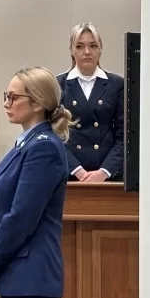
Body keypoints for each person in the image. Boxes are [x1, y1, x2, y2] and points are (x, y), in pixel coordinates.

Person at [0, 66, 73, 298]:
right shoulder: (27, 143)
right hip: (18, 276)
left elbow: (21, 218)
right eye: (6, 95)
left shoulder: (43, 147)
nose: (6, 103)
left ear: (38, 103)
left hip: (32, 279)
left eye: (14, 97)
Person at [56, 22, 124, 182]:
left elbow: (124, 136)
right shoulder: (58, 85)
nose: (87, 52)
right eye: (80, 46)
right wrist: (78, 171)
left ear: (100, 49)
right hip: (70, 175)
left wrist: (104, 172)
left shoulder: (117, 84)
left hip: (108, 176)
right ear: (71, 50)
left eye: (93, 46)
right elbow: (54, 134)